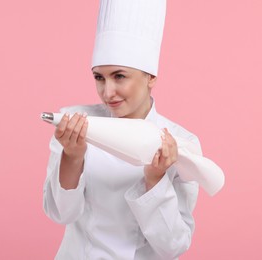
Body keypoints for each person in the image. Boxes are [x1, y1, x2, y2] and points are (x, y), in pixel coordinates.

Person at [43, 0, 199, 259]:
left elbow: (173, 246)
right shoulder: (75, 124)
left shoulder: (180, 143)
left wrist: (155, 180)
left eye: (119, 76)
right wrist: (72, 157)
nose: (107, 92)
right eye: (99, 77)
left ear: (151, 77)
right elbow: (61, 214)